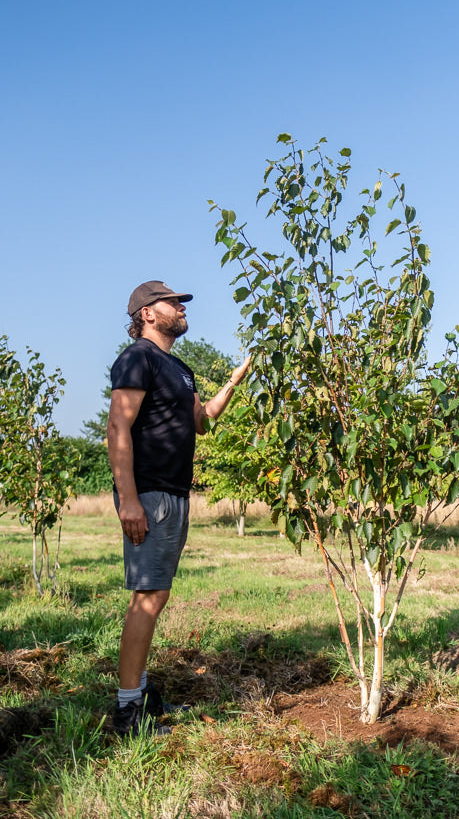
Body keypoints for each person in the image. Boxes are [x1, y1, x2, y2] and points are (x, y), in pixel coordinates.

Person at [107, 280, 250, 736]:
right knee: (148, 597)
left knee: (157, 593)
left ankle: (142, 693)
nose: (181, 309)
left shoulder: (179, 368)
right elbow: (117, 426)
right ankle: (128, 711)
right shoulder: (137, 358)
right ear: (148, 313)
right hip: (148, 493)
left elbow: (202, 421)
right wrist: (128, 499)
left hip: (174, 494)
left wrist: (233, 381)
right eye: (173, 303)